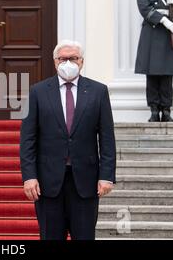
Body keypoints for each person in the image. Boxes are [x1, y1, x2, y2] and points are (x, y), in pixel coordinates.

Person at [20, 40, 116, 240]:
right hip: (48, 182)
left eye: (73, 58)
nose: (68, 63)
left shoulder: (98, 91)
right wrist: (29, 176)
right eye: (63, 59)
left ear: (81, 62)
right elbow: (28, 138)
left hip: (85, 182)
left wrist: (107, 176)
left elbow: (107, 138)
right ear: (55, 62)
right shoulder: (37, 92)